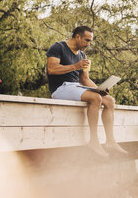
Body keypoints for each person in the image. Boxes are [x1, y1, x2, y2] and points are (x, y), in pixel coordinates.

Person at [46, 26, 128, 158]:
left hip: (76, 87)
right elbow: (52, 69)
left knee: (109, 100)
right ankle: (94, 142)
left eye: (90, 41)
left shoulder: (83, 55)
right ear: (77, 36)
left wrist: (99, 89)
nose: (88, 44)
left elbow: (85, 79)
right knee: (95, 98)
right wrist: (75, 66)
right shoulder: (58, 47)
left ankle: (111, 141)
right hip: (60, 88)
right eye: (86, 40)